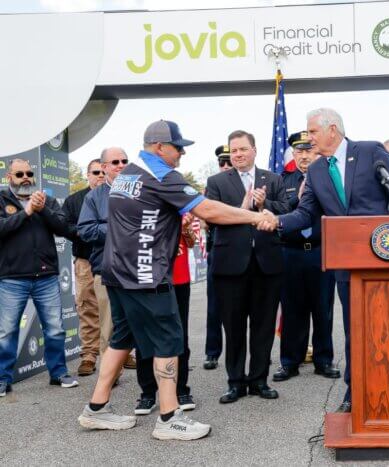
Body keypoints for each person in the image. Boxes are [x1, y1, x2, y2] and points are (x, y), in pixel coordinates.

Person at [77, 120, 271, 440]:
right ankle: (169, 418)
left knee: (122, 338)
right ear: (158, 147)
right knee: (168, 340)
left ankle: (96, 408)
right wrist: (255, 216)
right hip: (145, 274)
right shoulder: (161, 175)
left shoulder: (127, 174)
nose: (181, 152)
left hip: (117, 272)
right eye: (177, 147)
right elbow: (207, 209)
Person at [258, 108, 389, 413]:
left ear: (333, 129)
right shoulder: (316, 171)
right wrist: (276, 221)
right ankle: (354, 391)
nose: (309, 138)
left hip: (385, 256)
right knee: (355, 329)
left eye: (313, 132)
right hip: (346, 261)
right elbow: (305, 213)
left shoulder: (369, 151)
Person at [207, 130, 290, 404]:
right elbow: (215, 218)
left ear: (254, 150)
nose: (238, 154)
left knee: (264, 325)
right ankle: (235, 382)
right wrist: (243, 206)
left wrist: (265, 203)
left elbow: (287, 209)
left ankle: (259, 380)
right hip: (231, 265)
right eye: (234, 151)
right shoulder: (217, 181)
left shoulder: (273, 179)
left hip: (267, 264)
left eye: (243, 149)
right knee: (233, 326)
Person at [0, 159, 78, 397]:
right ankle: (3, 379)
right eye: (19, 173)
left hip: (46, 276)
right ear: (9, 177)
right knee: (7, 331)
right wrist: (27, 212)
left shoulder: (47, 200)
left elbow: (64, 228)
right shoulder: (2, 200)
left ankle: (58, 373)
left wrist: (42, 208)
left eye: (29, 173)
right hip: (12, 277)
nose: (25, 177)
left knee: (55, 328)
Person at [273, 131, 339, 382]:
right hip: (291, 252)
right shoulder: (283, 180)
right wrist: (297, 199)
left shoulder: (331, 177)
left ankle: (324, 360)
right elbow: (276, 209)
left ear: (317, 152)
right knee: (292, 310)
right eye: (299, 151)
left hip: (321, 251)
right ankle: (290, 361)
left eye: (309, 150)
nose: (304, 156)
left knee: (323, 309)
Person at [78, 148, 138, 376]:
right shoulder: (93, 197)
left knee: (142, 324)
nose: (121, 165)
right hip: (108, 271)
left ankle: (150, 382)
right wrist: (117, 226)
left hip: (139, 270)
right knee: (109, 327)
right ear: (104, 167)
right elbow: (85, 230)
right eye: (115, 162)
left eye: (124, 160)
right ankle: (109, 377)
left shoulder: (141, 191)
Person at [134, 214, 198, 416]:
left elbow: (191, 242)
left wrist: (186, 227)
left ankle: (181, 390)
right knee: (145, 336)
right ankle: (148, 393)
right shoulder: (143, 207)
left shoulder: (181, 208)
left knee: (179, 335)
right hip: (147, 277)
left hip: (178, 278)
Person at [62, 159, 104, 376]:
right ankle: (89, 355)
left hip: (112, 261)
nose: (100, 175)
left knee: (117, 309)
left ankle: (123, 353)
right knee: (88, 308)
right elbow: (63, 225)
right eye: (95, 172)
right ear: (87, 175)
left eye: (102, 171)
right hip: (85, 261)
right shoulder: (74, 200)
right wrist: (83, 231)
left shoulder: (116, 197)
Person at [202, 144, 233, 370]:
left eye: (228, 162)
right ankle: (212, 352)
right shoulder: (212, 186)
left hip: (243, 250)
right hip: (218, 249)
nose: (224, 166)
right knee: (215, 306)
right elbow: (205, 219)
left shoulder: (246, 185)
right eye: (221, 162)